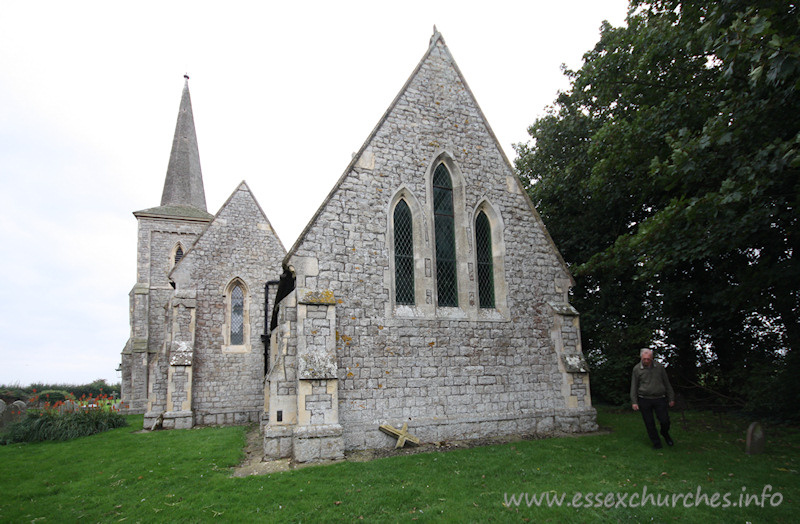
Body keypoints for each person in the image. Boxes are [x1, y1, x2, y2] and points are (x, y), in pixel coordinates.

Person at [630, 348, 675, 449]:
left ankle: (665, 433)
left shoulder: (659, 367)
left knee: (665, 420)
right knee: (649, 423)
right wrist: (634, 402)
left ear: (652, 358)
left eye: (648, 359)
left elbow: (666, 382)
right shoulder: (637, 369)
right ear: (641, 358)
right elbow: (634, 386)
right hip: (644, 399)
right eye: (644, 359)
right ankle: (656, 443)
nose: (646, 361)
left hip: (659, 398)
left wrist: (671, 397)